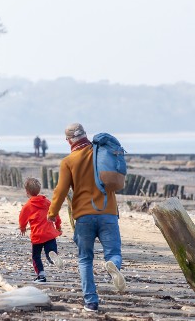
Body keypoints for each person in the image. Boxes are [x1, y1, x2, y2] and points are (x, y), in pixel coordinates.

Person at [47, 123, 125, 312]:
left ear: (68, 141)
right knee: (114, 253)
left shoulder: (68, 161)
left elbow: (61, 190)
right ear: (85, 135)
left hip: (84, 217)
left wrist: (52, 213)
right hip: (108, 213)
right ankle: (112, 265)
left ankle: (91, 302)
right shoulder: (101, 154)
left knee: (85, 259)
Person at [19, 177, 64, 283]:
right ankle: (53, 258)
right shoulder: (47, 202)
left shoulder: (28, 205)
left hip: (37, 236)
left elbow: (22, 217)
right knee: (51, 252)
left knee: (36, 256)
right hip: (49, 234)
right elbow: (55, 213)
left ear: (27, 192)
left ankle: (41, 276)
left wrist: (22, 227)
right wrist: (58, 225)